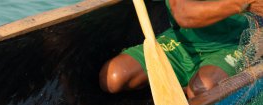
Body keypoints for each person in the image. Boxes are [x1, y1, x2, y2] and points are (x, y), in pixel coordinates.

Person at [99, 0, 263, 98]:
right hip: (183, 40)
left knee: (200, 91)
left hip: (232, 44)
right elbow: (184, 15)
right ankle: (181, 86)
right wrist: (241, 3)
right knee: (112, 79)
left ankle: (187, 85)